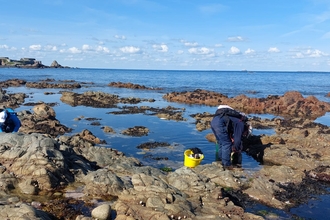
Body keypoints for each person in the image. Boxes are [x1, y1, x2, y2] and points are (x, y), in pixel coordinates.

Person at [210, 105, 250, 169]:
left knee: (221, 143)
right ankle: (226, 165)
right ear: (247, 128)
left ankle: (220, 160)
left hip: (213, 122)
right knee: (227, 143)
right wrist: (236, 149)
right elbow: (237, 139)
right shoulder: (240, 124)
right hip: (220, 123)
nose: (244, 134)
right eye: (246, 133)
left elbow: (230, 132)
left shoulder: (235, 120)